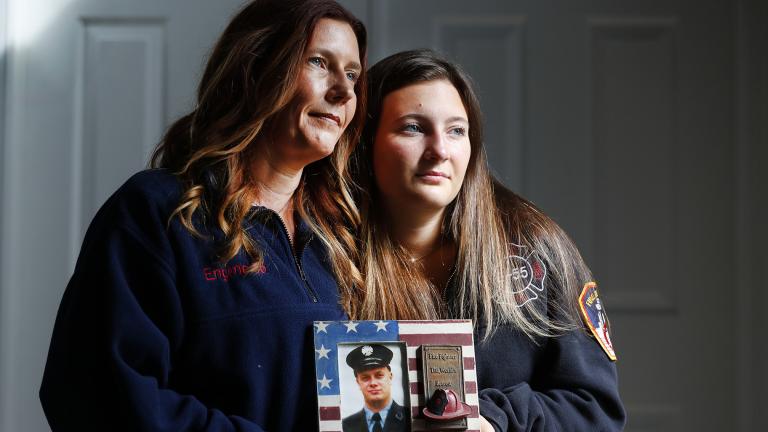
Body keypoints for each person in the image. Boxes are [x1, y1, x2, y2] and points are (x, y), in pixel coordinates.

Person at [39, 1, 367, 430]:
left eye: (353, 74)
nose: (344, 91)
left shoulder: (341, 235)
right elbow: (99, 391)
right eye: (319, 62)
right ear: (254, 68)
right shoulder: (156, 213)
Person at [350, 49, 626, 431]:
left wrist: (495, 421)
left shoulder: (535, 251)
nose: (439, 151)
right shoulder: (328, 255)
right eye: (413, 128)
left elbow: (596, 409)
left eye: (456, 131)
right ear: (365, 141)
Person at [343, 345, 408, 432]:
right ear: (358, 382)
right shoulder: (346, 425)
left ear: (390, 377)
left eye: (379, 375)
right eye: (365, 378)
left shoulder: (409, 416)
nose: (373, 383)